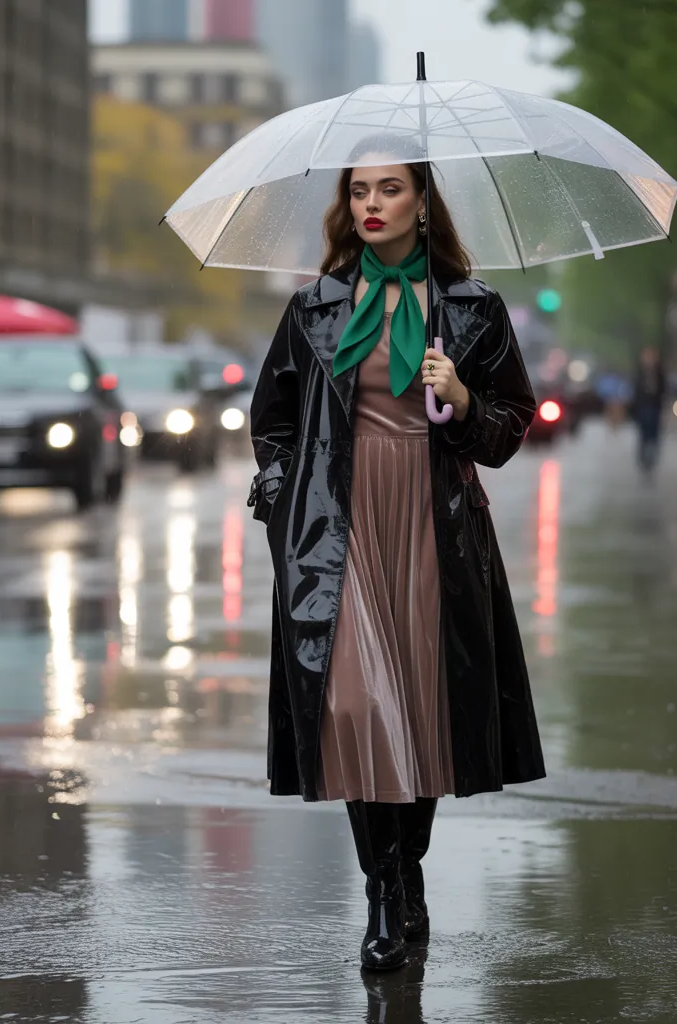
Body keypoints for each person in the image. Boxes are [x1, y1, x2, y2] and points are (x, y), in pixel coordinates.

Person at [249, 141, 546, 972]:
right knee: (351, 707)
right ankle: (384, 889)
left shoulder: (473, 307)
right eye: (359, 191)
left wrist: (460, 400)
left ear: (422, 201)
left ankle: (403, 872)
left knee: (420, 708)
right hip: (334, 530)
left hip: (431, 520)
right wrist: (281, 498)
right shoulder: (316, 306)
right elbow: (271, 418)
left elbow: (509, 427)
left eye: (391, 188)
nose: (373, 203)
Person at [631, 345, 667, 473]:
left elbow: (664, 389)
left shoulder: (659, 372)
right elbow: (636, 390)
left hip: (655, 406)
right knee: (644, 433)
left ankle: (652, 458)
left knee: (654, 433)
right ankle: (643, 458)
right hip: (643, 406)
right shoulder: (640, 372)